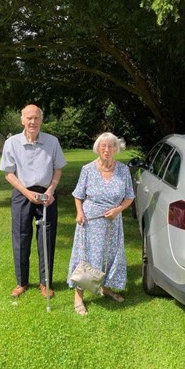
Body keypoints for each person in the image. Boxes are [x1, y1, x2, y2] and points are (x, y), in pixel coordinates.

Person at [0, 104, 66, 298]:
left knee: (47, 239)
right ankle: (22, 282)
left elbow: (58, 169)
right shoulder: (11, 143)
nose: (32, 122)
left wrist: (51, 190)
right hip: (22, 194)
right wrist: (27, 193)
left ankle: (45, 284)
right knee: (21, 237)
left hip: (47, 194)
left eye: (36, 118)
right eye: (29, 118)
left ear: (41, 120)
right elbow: (9, 174)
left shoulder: (52, 142)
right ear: (22, 120)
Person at [67, 132, 135, 315]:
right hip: (90, 223)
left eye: (111, 146)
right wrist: (79, 213)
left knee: (109, 256)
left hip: (113, 223)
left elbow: (129, 197)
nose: (107, 149)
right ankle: (78, 297)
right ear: (98, 148)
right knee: (87, 258)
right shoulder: (88, 169)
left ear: (116, 149)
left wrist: (118, 210)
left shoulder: (123, 170)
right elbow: (78, 195)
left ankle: (105, 288)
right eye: (103, 146)